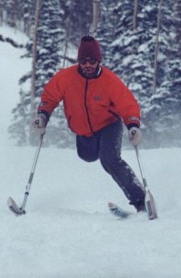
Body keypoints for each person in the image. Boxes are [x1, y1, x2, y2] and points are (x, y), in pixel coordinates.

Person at [32, 35, 146, 212]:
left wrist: (133, 126)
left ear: (98, 61)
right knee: (87, 156)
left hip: (109, 124)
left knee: (109, 159)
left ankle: (140, 200)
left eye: (92, 60)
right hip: (83, 131)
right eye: (83, 61)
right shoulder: (65, 78)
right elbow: (49, 97)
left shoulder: (109, 81)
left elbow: (127, 103)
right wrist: (43, 116)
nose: (88, 65)